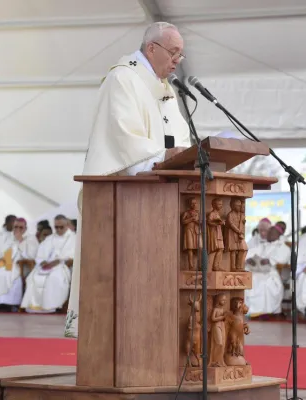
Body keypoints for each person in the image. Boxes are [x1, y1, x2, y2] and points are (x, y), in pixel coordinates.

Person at [65, 22, 192, 338]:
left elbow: (180, 143)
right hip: (126, 203)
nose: (178, 60)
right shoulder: (122, 79)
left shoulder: (166, 90)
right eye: (173, 52)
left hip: (163, 202)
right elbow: (121, 141)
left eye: (181, 55)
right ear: (152, 48)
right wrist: (164, 157)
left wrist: (187, 157)